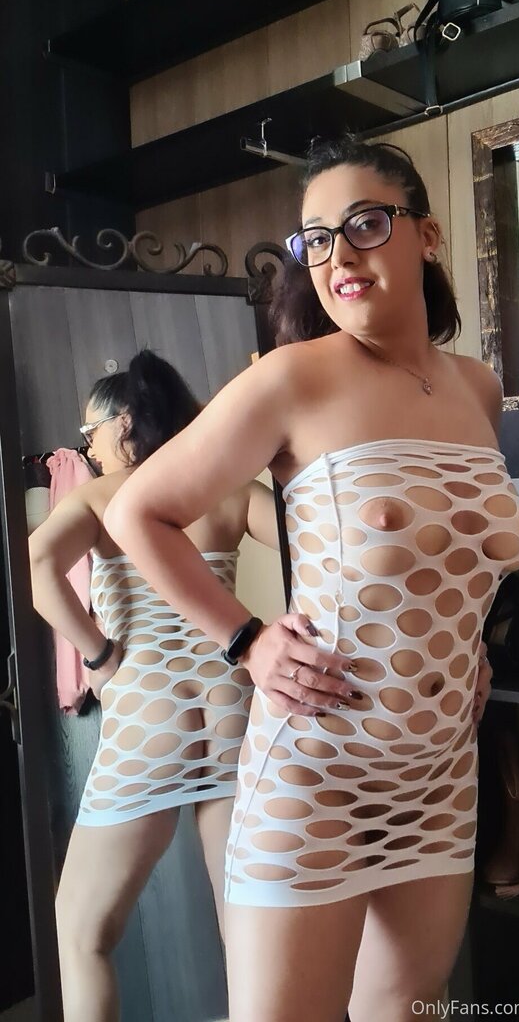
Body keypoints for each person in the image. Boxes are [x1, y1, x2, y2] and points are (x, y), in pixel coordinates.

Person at [104, 138, 519, 1022]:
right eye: (318, 239)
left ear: (428, 236)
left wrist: (471, 649)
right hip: (317, 773)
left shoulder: (478, 389)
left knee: (407, 1010)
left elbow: (454, 554)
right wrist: (247, 641)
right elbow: (137, 514)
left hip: (440, 776)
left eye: (366, 225)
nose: (340, 255)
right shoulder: (292, 379)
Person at [29, 349, 278, 1022]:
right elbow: (310, 536)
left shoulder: (104, 495)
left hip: (150, 716)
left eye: (91, 431)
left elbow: (39, 563)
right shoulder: (225, 489)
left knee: (81, 935)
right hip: (234, 711)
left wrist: (98, 654)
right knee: (249, 938)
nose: (88, 447)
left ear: (125, 423)